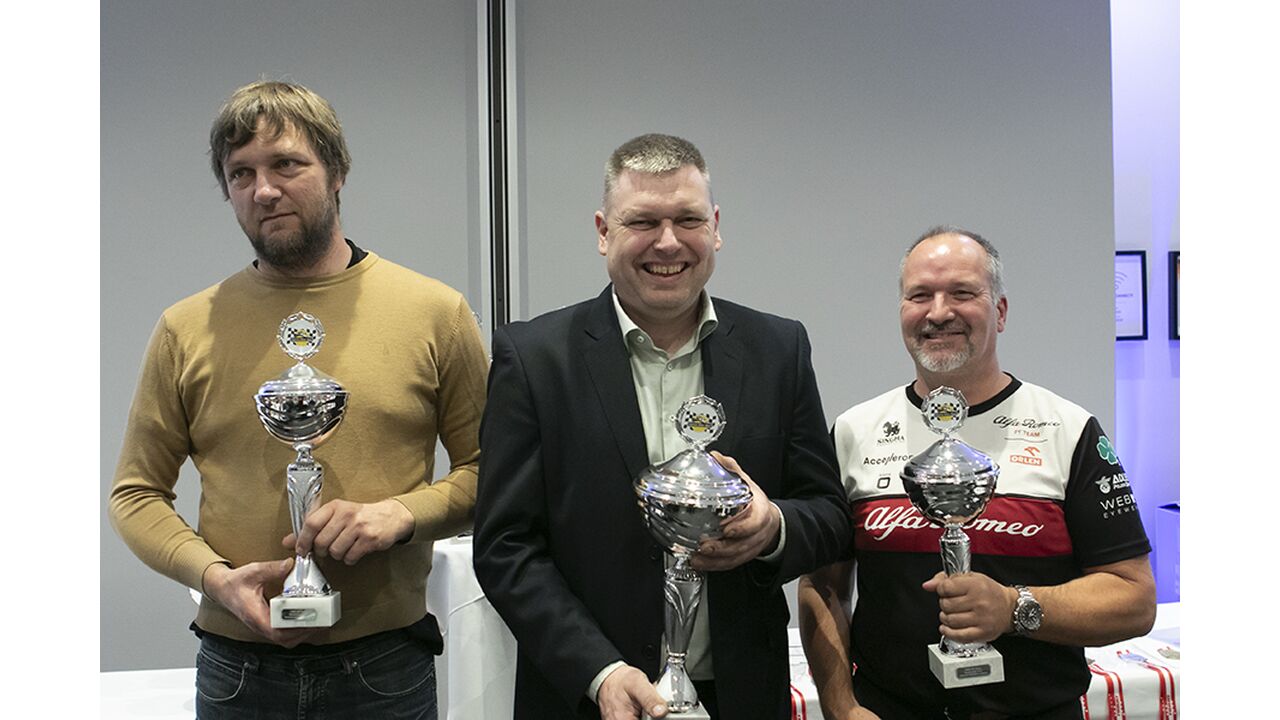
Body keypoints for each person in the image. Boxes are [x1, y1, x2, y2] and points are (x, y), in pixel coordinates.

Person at [108, 80, 488, 719]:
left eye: (286, 164)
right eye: (241, 173)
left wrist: (402, 514)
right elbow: (135, 494)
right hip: (235, 669)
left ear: (337, 172)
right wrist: (214, 578)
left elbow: (492, 472)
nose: (263, 190)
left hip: (384, 668)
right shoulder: (185, 328)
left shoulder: (434, 312)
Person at [472, 133, 852, 720]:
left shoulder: (779, 349)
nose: (668, 241)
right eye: (643, 221)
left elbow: (829, 516)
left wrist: (772, 527)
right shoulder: (533, 358)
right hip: (591, 699)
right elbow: (505, 547)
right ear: (604, 231)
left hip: (742, 697)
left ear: (716, 227)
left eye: (688, 219)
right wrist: (599, 671)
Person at [798, 227, 1156, 720]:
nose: (938, 312)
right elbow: (823, 586)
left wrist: (1014, 607)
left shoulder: (1068, 430)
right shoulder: (853, 431)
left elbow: (1133, 598)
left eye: (962, 293)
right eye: (919, 295)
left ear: (1000, 312)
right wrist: (841, 708)